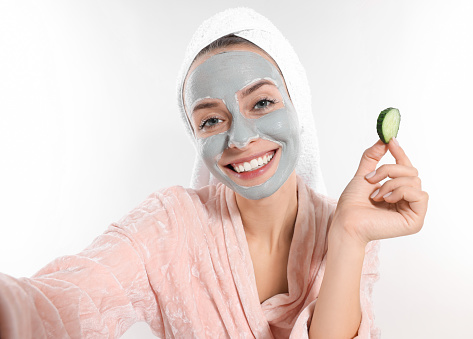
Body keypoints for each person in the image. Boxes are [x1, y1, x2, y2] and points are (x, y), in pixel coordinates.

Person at [0, 8, 428, 339]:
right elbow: (67, 299)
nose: (240, 139)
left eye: (261, 103)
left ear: (299, 108)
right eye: (211, 121)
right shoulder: (170, 225)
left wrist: (349, 236)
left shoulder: (349, 226)